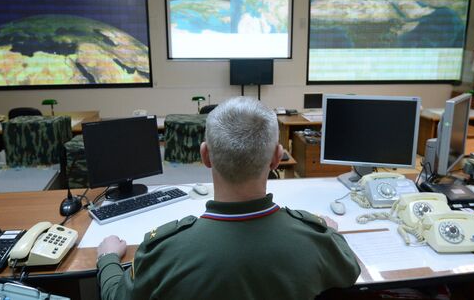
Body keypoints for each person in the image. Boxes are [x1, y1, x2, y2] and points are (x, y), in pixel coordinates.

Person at [97, 96, 360, 300]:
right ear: (278, 158)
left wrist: (107, 258)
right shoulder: (315, 241)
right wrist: (331, 234)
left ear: (205, 155)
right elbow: (350, 271)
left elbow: (116, 296)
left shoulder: (163, 253)